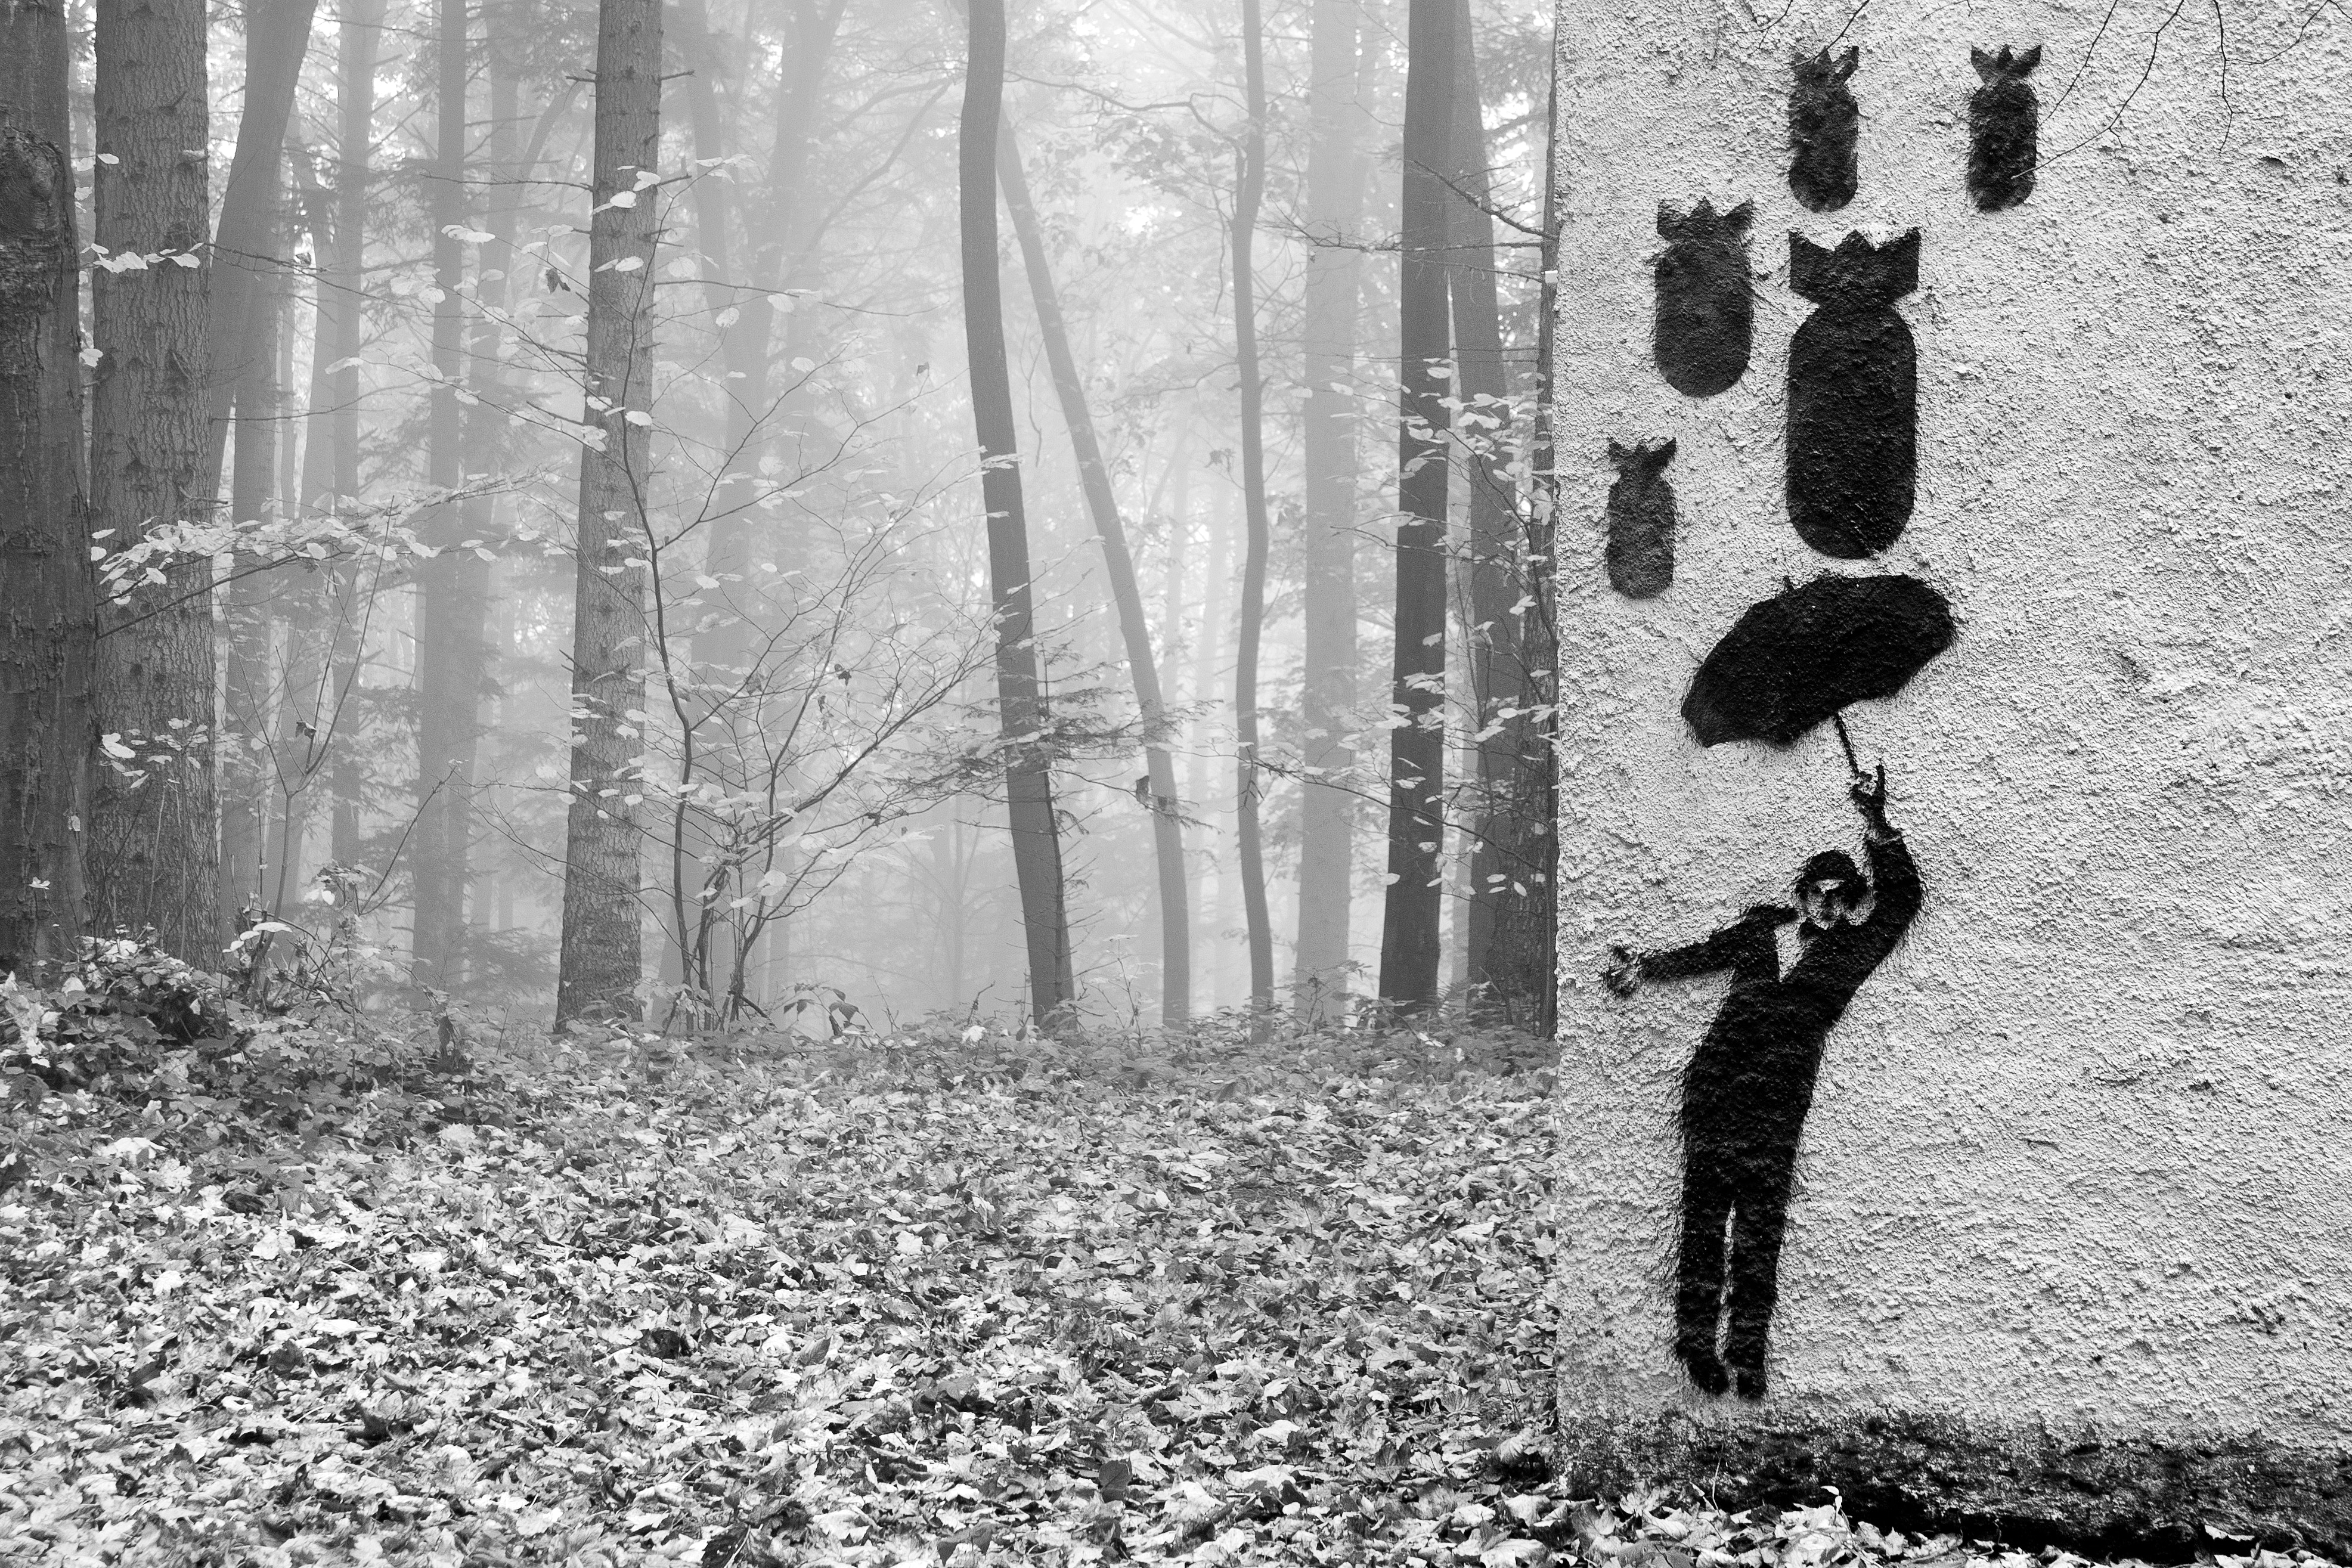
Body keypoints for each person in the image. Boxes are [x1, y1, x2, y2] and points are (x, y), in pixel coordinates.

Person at [1602, 764, 1920, 1400]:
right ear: (1800, 894)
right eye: (1816, 892)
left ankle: (1747, 1350)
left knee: (1758, 1232)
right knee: (1702, 1224)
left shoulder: (1855, 947)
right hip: (1716, 1090)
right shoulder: (1760, 930)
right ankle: (1696, 1345)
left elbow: (1906, 896)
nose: (1827, 904)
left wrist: (1875, 819)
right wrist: (1644, 965)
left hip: (1777, 1105)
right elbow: (1703, 953)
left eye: (1840, 894)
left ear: (1854, 898)